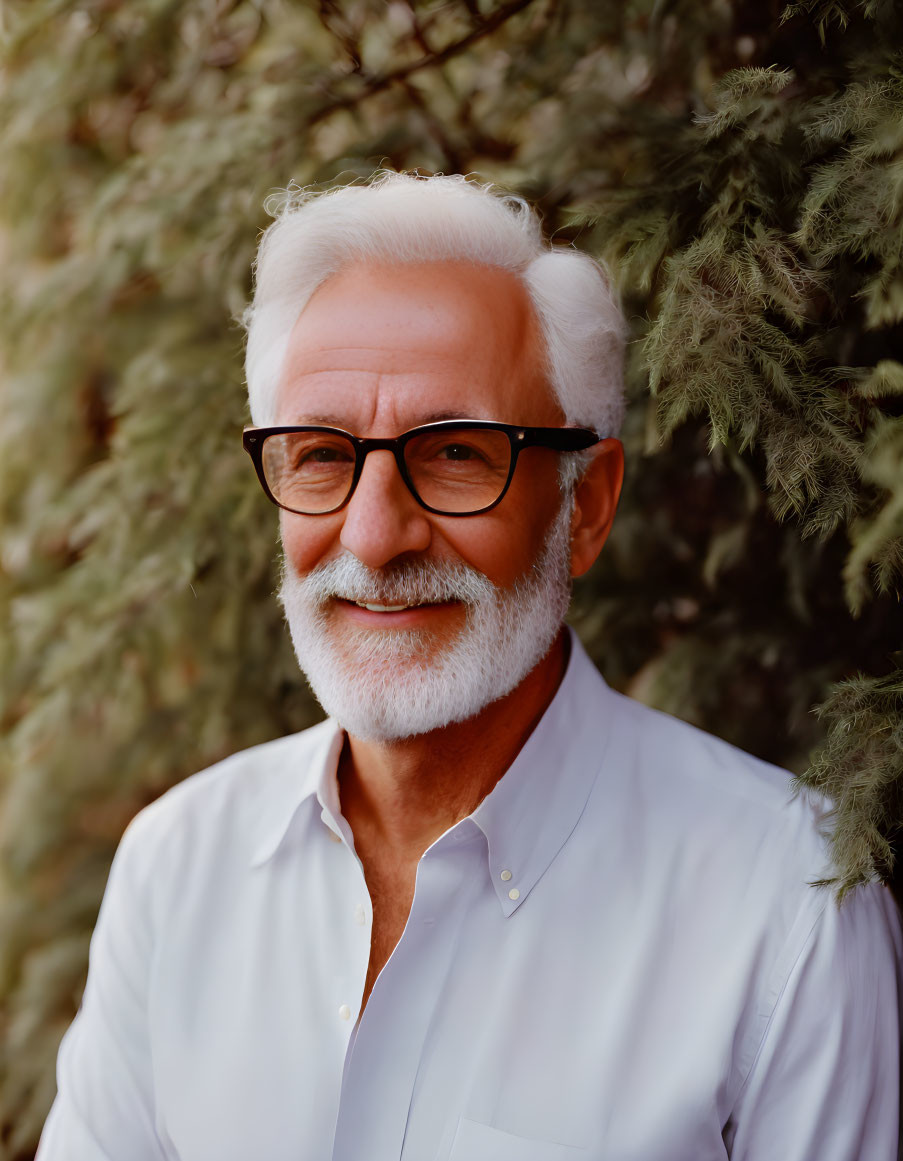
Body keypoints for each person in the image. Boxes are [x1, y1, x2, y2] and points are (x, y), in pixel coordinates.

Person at [38, 173, 900, 1161]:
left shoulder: (789, 903)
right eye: (320, 454)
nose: (373, 535)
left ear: (584, 507)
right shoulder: (176, 868)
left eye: (454, 453)